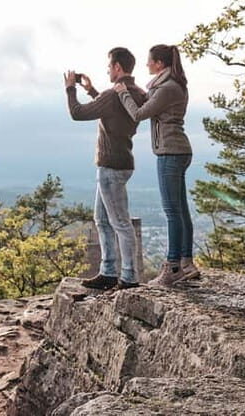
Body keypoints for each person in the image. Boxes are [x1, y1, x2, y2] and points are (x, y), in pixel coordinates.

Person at [114, 44, 198, 287]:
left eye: (149, 61)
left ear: (159, 63)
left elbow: (138, 114)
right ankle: (186, 263)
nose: (146, 65)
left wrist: (122, 92)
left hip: (170, 152)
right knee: (181, 210)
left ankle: (173, 266)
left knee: (173, 211)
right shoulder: (171, 85)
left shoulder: (167, 88)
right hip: (178, 150)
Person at [65, 47, 147, 290]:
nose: (107, 70)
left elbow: (77, 113)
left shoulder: (114, 95)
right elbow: (115, 110)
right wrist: (91, 90)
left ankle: (129, 277)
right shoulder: (134, 93)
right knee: (101, 219)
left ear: (118, 68)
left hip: (111, 166)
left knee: (120, 222)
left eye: (109, 66)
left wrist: (71, 88)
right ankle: (108, 271)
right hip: (121, 162)